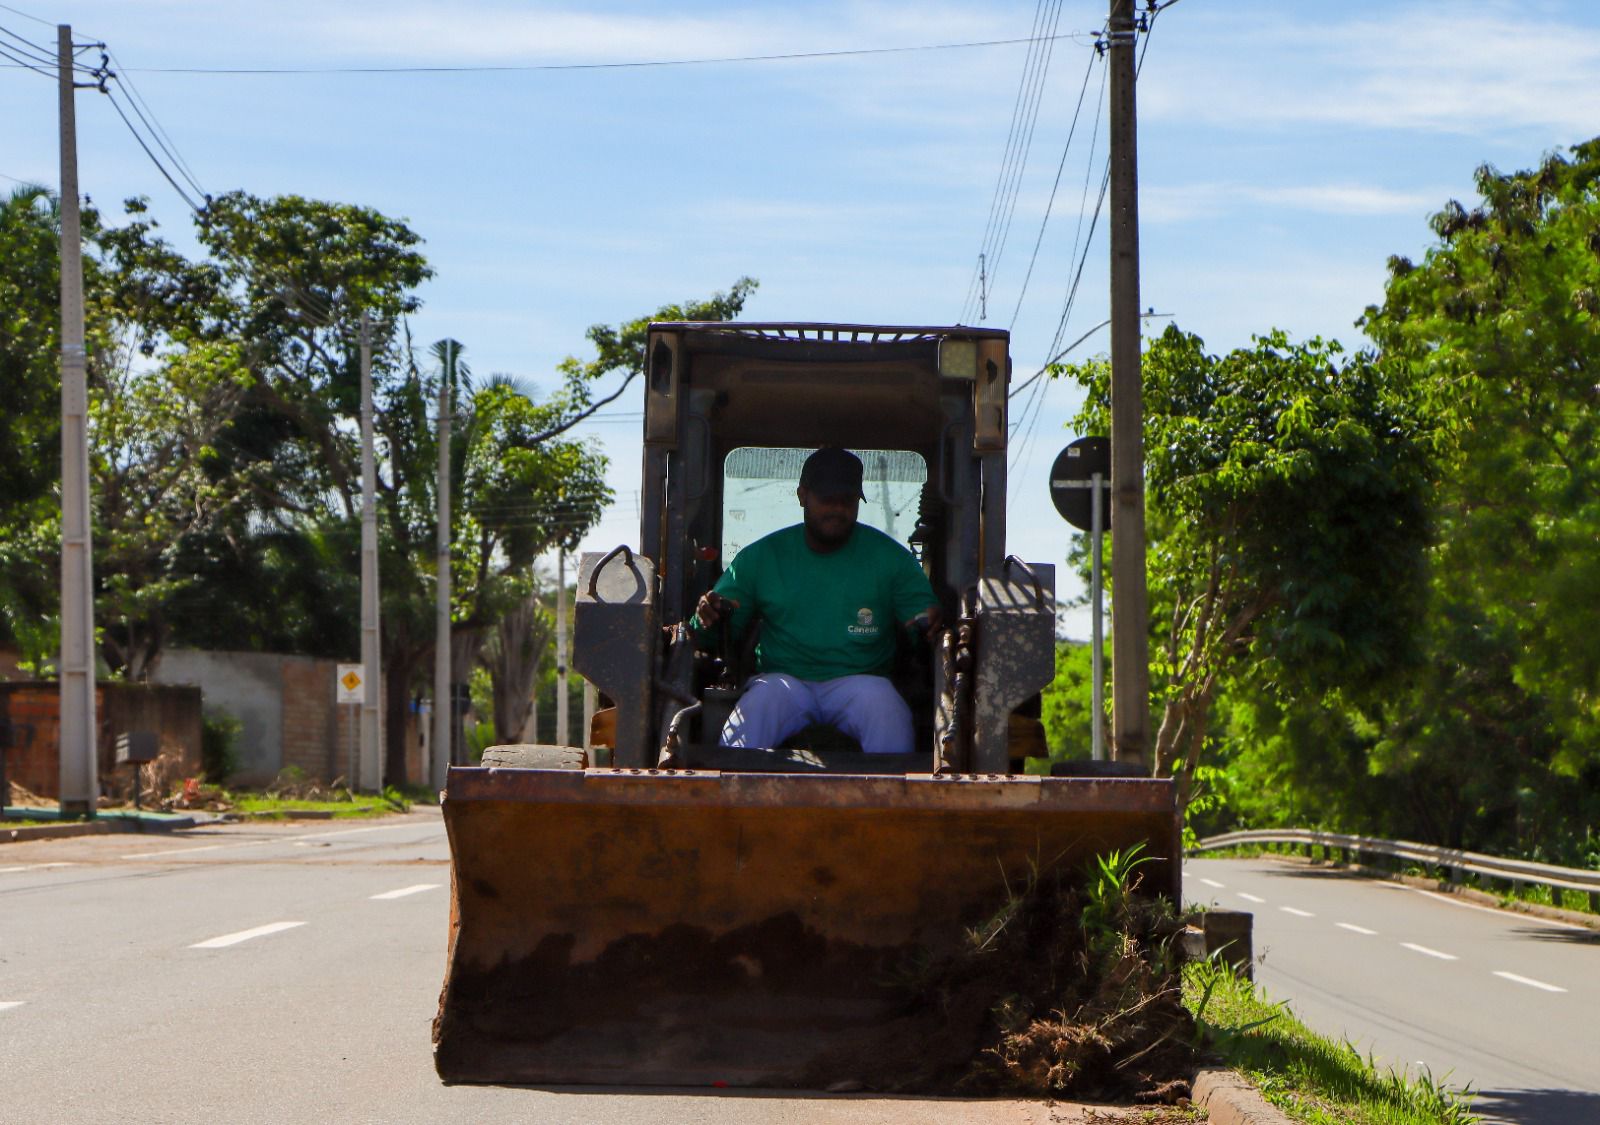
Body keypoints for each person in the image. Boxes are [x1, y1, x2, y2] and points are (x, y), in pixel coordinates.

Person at [689, 446, 943, 754]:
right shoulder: (760, 558)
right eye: (827, 499)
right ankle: (727, 799)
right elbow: (712, 630)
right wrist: (709, 615)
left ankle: (895, 802)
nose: (837, 509)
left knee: (887, 710)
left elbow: (922, 623)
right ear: (802, 496)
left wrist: (928, 626)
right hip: (783, 682)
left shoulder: (891, 560)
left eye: (847, 501)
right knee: (750, 719)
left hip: (861, 682)